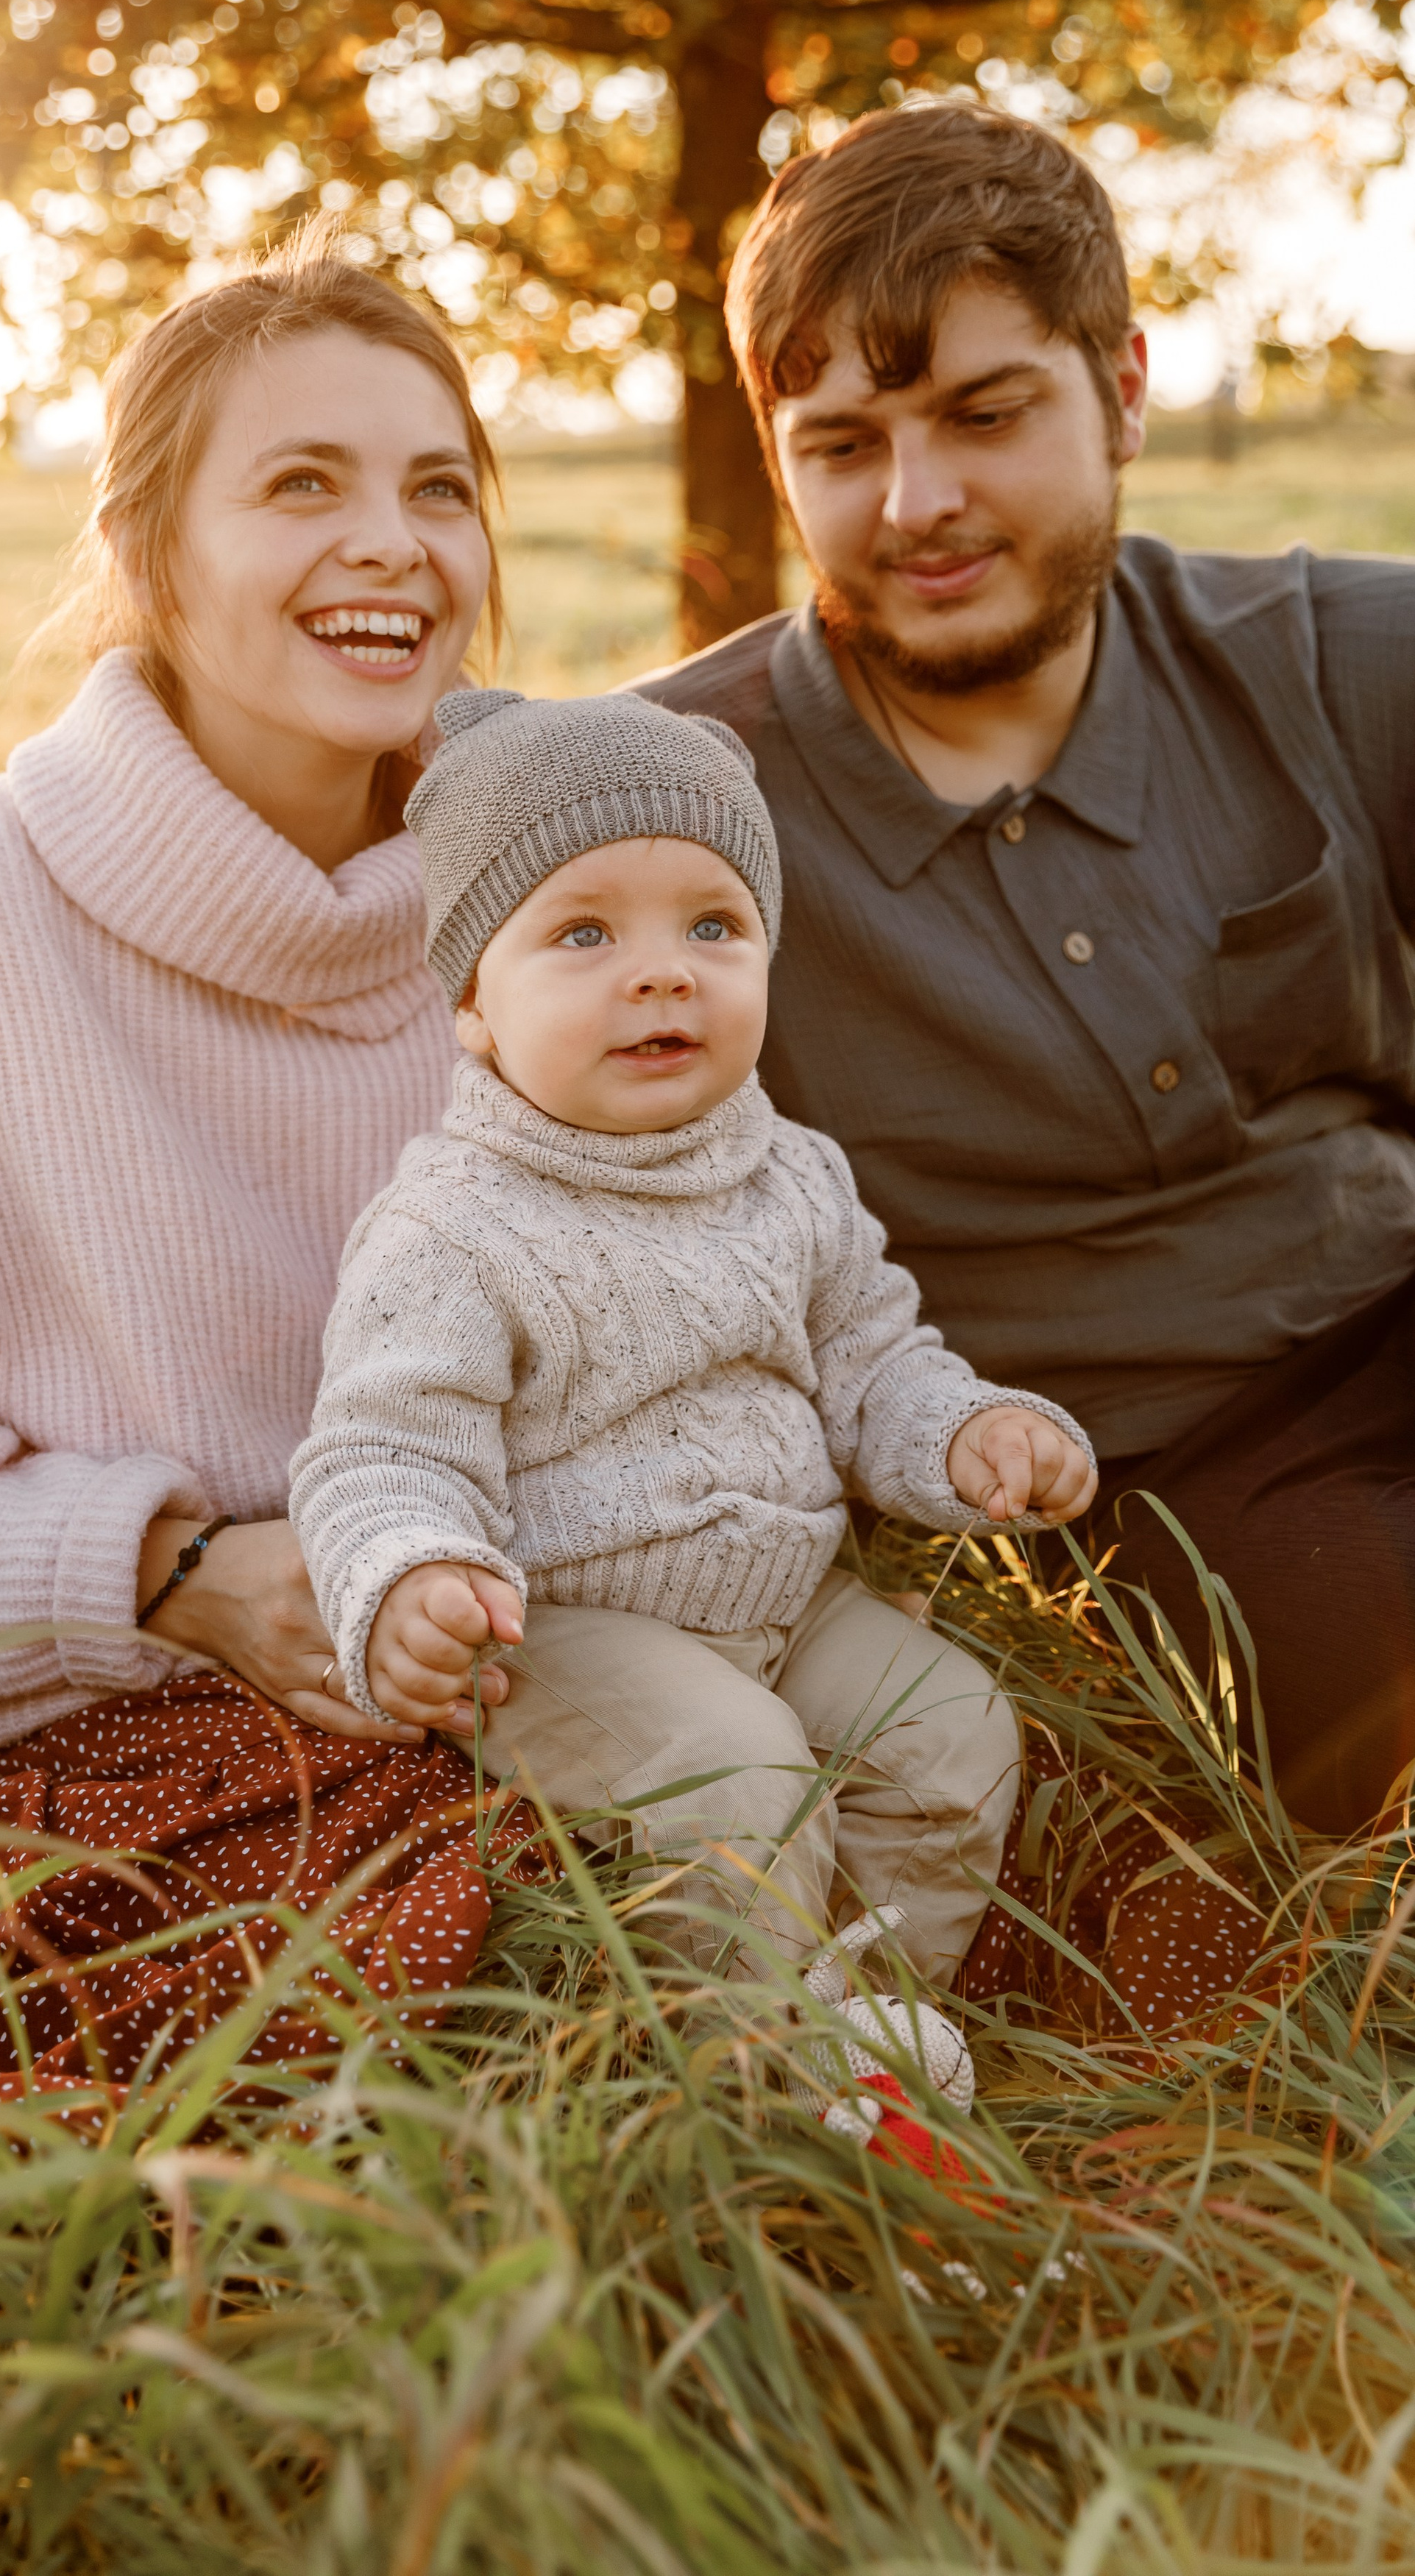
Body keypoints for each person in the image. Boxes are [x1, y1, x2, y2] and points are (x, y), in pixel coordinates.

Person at [0, 237, 532, 2085]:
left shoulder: (539, 911)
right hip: (76, 1746)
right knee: (488, 1917)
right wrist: (171, 1570)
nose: (391, 541)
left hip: (503, 1681)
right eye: (303, 484)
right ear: (146, 557)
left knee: (843, 1809)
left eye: (435, 487)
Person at [628, 102, 1415, 1835]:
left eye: (985, 416)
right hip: (1133, 1462)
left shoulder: (1334, 657)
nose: (918, 503)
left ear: (1120, 386)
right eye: (841, 444)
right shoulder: (672, 802)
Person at [291, 685, 1094, 2025]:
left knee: (952, 1736)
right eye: (584, 931)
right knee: (742, 1783)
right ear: (475, 1006)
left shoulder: (791, 1175)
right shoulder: (452, 1226)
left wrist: (962, 1436)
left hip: (793, 1597)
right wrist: (411, 1573)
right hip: (568, 1630)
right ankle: (739, 2092)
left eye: (713, 927)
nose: (661, 970)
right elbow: (383, 1445)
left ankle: (875, 2037)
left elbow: (872, 1363)